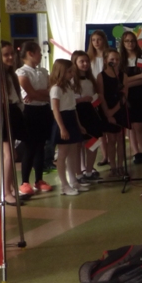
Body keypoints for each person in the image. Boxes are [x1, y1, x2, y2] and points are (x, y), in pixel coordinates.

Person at [15, 41, 54, 197]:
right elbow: (30, 93)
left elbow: (51, 89)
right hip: (30, 111)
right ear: (30, 53)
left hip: (44, 110)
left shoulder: (43, 71)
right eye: (39, 52)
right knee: (30, 147)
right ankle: (25, 182)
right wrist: (42, 94)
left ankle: (39, 179)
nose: (41, 55)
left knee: (41, 146)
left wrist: (41, 94)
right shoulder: (21, 72)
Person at [49, 59, 89, 196]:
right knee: (62, 154)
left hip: (71, 118)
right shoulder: (56, 89)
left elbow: (73, 108)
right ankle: (64, 185)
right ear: (61, 72)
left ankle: (74, 181)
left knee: (73, 152)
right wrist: (62, 128)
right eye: (69, 71)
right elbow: (55, 110)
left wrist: (79, 125)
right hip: (62, 120)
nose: (72, 74)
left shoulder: (69, 86)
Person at [0, 41, 27, 205]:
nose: (10, 57)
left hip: (13, 111)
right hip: (4, 112)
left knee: (12, 153)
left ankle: (10, 187)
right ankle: (6, 192)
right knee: (8, 154)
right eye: (6, 55)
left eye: (12, 54)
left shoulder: (11, 74)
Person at [71, 50, 104, 182]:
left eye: (87, 61)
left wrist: (96, 99)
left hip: (90, 112)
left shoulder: (91, 79)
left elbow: (94, 96)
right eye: (81, 61)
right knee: (78, 144)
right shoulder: (71, 80)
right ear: (75, 63)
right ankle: (78, 173)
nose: (85, 64)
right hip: (77, 112)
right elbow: (67, 100)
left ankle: (89, 171)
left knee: (93, 141)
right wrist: (81, 99)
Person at [97, 50, 129, 177]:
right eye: (112, 59)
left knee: (120, 139)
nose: (115, 62)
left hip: (119, 109)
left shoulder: (123, 76)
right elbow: (101, 96)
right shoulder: (101, 76)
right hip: (107, 108)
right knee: (111, 140)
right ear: (106, 61)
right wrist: (108, 113)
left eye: (117, 59)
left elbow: (125, 95)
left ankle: (120, 165)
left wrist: (114, 111)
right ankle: (113, 166)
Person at [120, 31, 142, 164]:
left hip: (140, 93)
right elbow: (119, 81)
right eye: (127, 41)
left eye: (132, 40)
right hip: (126, 95)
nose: (130, 43)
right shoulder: (120, 59)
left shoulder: (141, 57)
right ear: (123, 43)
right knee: (130, 125)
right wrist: (128, 82)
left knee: (139, 125)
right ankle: (136, 152)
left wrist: (127, 81)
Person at [87, 29, 110, 166]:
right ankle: (105, 156)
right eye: (93, 40)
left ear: (104, 40)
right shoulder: (89, 58)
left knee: (109, 127)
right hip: (94, 94)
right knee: (100, 129)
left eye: (99, 39)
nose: (96, 42)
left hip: (108, 92)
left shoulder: (108, 57)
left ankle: (111, 156)